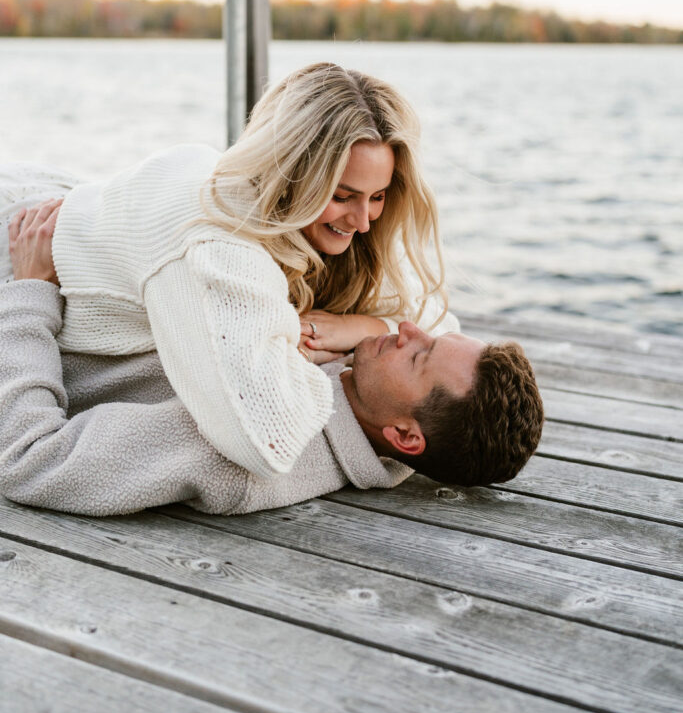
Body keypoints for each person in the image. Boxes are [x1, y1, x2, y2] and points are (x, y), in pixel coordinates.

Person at [1, 63, 455, 481]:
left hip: (66, 197)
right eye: (341, 195)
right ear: (290, 173)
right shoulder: (214, 240)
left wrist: (351, 327)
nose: (362, 221)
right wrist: (30, 292)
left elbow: (442, 323)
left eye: (377, 197)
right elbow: (268, 441)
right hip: (18, 239)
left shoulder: (323, 233)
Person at [0, 205, 544, 516]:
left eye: (419, 353)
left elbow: (31, 460)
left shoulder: (250, 453)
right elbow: (434, 321)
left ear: (405, 436)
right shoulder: (371, 393)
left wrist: (29, 292)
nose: (407, 330)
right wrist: (367, 326)